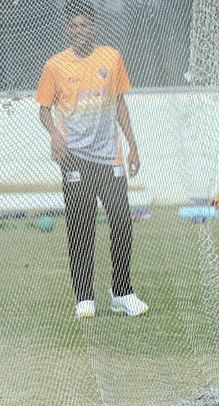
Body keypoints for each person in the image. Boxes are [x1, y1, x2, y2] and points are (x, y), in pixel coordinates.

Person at [36, 0, 149, 319]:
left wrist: (133, 145)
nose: (79, 31)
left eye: (84, 25)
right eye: (73, 26)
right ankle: (84, 297)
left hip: (109, 157)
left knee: (122, 222)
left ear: (93, 28)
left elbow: (120, 104)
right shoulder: (54, 66)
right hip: (74, 159)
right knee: (80, 226)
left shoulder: (111, 58)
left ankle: (122, 292)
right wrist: (56, 136)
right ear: (67, 30)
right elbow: (44, 110)